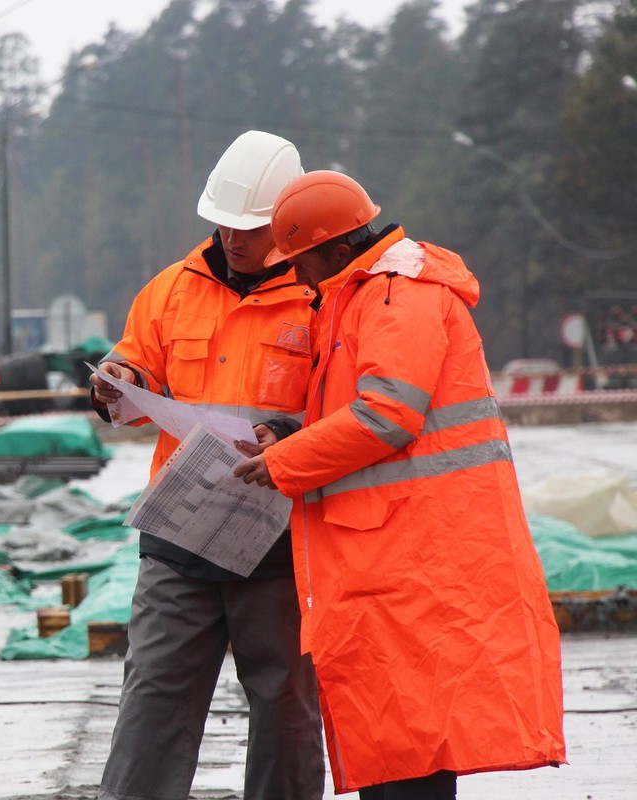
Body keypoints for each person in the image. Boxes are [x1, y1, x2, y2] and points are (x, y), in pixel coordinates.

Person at [233, 170, 567, 798]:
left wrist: (284, 463)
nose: (296, 275)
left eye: (300, 260)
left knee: (413, 746)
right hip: (395, 549)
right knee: (396, 742)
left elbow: (387, 415)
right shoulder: (367, 294)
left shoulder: (397, 295)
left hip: (414, 552)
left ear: (337, 249)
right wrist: (290, 433)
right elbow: (364, 409)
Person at [89, 130, 325, 800]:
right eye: (224, 224)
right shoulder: (170, 290)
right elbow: (135, 368)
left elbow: (345, 409)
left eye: (248, 228)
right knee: (152, 698)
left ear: (286, 222)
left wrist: (287, 433)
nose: (232, 238)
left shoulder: (321, 299)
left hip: (279, 538)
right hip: (181, 531)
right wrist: (117, 381)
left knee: (285, 705)